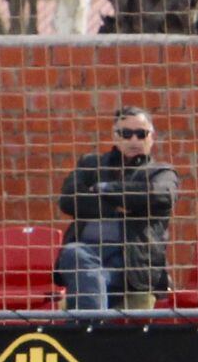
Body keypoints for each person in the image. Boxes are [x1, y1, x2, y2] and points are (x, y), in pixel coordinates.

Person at [54, 106, 178, 312]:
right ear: (115, 136)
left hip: (131, 264)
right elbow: (68, 199)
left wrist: (105, 189)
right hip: (85, 254)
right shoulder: (91, 165)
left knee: (86, 279)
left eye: (141, 134)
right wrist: (121, 205)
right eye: (126, 134)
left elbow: (159, 195)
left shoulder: (161, 173)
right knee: (75, 255)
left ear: (152, 137)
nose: (134, 140)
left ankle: (88, 333)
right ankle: (94, 332)